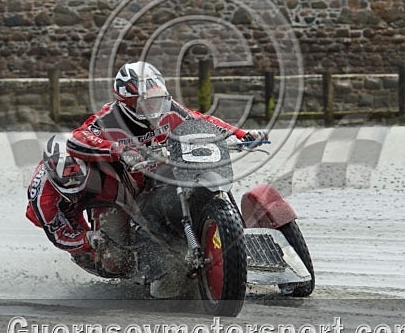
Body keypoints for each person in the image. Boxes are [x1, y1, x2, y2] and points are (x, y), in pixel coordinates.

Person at [25, 61, 267, 266]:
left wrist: (241, 134)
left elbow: (200, 121)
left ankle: (231, 230)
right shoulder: (107, 118)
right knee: (114, 261)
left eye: (157, 100)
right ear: (126, 102)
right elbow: (79, 137)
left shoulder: (168, 108)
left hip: (158, 167)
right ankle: (144, 264)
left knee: (200, 170)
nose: (154, 108)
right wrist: (117, 149)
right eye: (145, 103)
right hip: (120, 188)